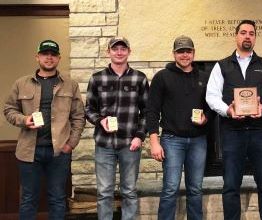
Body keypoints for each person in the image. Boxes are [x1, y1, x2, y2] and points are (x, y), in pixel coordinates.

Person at [205, 19, 262, 220]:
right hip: (232, 132)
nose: (247, 36)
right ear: (236, 36)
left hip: (261, 132)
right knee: (231, 185)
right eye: (243, 32)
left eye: (251, 33)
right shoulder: (221, 66)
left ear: (255, 37)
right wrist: (227, 111)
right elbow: (211, 96)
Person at [3, 40, 85, 220]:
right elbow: (9, 110)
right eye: (45, 54)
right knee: (28, 199)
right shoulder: (21, 83)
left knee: (57, 199)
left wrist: (71, 144)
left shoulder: (70, 85)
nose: (49, 58)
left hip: (59, 152)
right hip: (28, 151)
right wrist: (25, 120)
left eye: (53, 54)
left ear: (59, 58)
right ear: (37, 57)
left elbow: (79, 116)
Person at [147, 35, 211, 220]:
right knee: (170, 188)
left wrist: (206, 118)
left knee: (195, 189)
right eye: (180, 51)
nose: (185, 55)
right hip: (172, 140)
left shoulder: (204, 77)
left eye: (188, 51)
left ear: (194, 53)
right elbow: (152, 110)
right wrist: (154, 141)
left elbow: (212, 107)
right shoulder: (162, 77)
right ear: (174, 54)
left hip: (198, 141)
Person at [84, 37, 149, 220]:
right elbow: (88, 109)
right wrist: (100, 120)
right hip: (104, 144)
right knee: (104, 192)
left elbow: (147, 111)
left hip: (130, 144)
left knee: (129, 191)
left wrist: (139, 136)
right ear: (108, 52)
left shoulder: (139, 78)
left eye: (123, 49)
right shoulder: (97, 78)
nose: (119, 52)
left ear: (129, 51)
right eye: (115, 49)